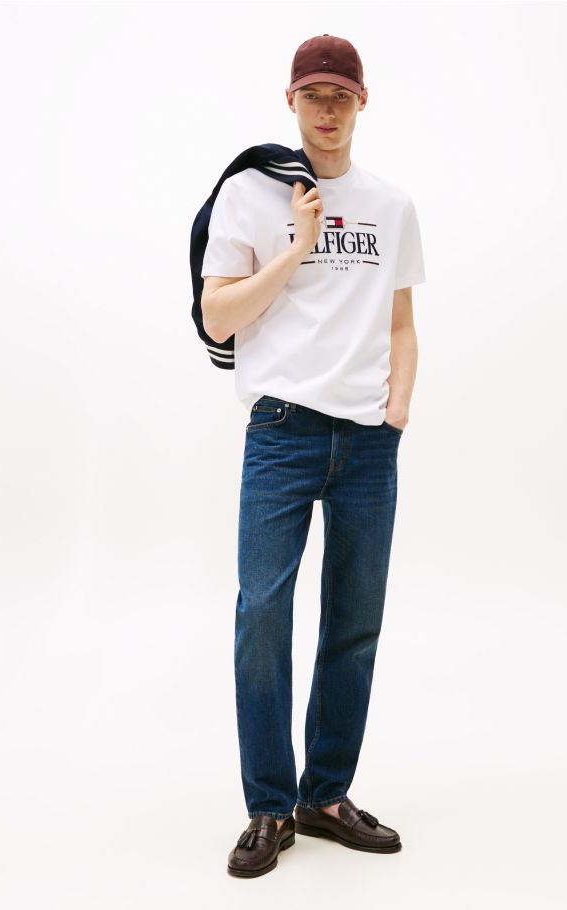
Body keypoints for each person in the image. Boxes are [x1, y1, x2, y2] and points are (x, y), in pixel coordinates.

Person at [201, 34, 426, 878]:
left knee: (355, 621)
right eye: (312, 95)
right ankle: (268, 806)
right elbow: (220, 316)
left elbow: (401, 323)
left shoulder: (392, 206)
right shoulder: (250, 194)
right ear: (290, 101)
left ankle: (325, 796)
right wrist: (297, 246)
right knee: (263, 614)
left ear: (362, 102)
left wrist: (396, 411)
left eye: (340, 95)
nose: (326, 110)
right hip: (283, 433)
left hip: (367, 444)